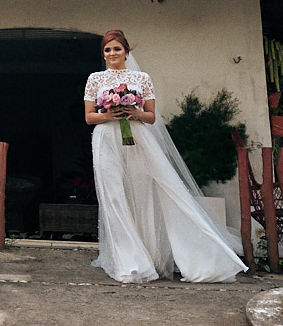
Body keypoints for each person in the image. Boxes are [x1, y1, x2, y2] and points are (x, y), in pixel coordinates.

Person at [83, 28, 247, 283]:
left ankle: (158, 255)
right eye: (107, 49)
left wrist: (134, 112)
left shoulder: (142, 78)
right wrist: (108, 114)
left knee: (145, 193)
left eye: (117, 48)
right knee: (114, 197)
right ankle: (128, 263)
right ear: (103, 54)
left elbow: (150, 116)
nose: (112, 53)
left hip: (138, 138)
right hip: (106, 138)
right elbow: (89, 117)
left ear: (126, 52)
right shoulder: (95, 79)